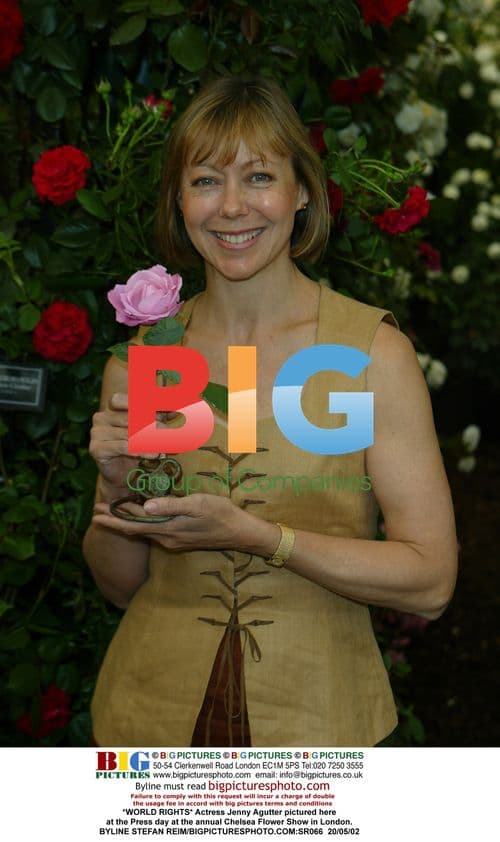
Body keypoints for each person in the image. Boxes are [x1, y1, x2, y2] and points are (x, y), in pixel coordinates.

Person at [84, 75, 457, 747]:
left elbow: (430, 579)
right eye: (204, 181)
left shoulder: (366, 352)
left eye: (258, 177)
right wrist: (116, 492)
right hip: (151, 726)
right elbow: (122, 584)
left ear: (301, 191)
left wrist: (264, 538)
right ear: (178, 200)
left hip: (322, 721)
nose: (231, 208)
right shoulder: (153, 356)